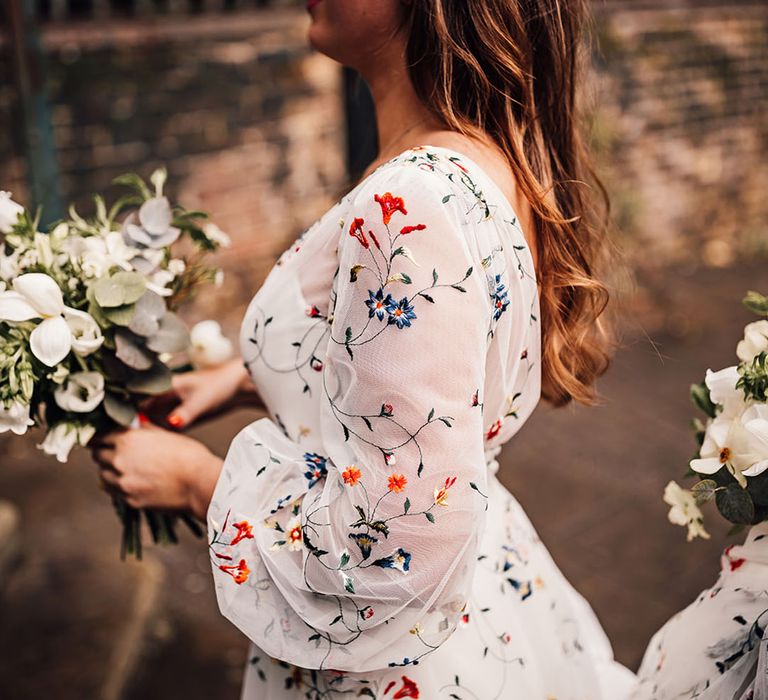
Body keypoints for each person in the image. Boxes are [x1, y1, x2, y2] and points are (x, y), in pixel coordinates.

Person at [91, 1, 768, 698]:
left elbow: (394, 536)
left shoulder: (413, 203)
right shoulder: (477, 162)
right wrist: (246, 380)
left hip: (402, 666)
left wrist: (195, 482)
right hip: (483, 606)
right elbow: (412, 365)